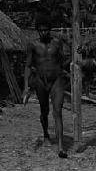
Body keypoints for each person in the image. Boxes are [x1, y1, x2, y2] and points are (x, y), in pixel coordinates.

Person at [23, 12, 70, 158]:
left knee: (58, 112)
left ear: (49, 29)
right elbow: (28, 66)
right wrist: (26, 87)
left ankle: (61, 147)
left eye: (46, 29)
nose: (44, 32)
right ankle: (45, 134)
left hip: (56, 80)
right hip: (40, 81)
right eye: (41, 30)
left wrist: (76, 54)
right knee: (44, 111)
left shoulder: (57, 43)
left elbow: (65, 59)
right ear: (37, 30)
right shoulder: (33, 45)